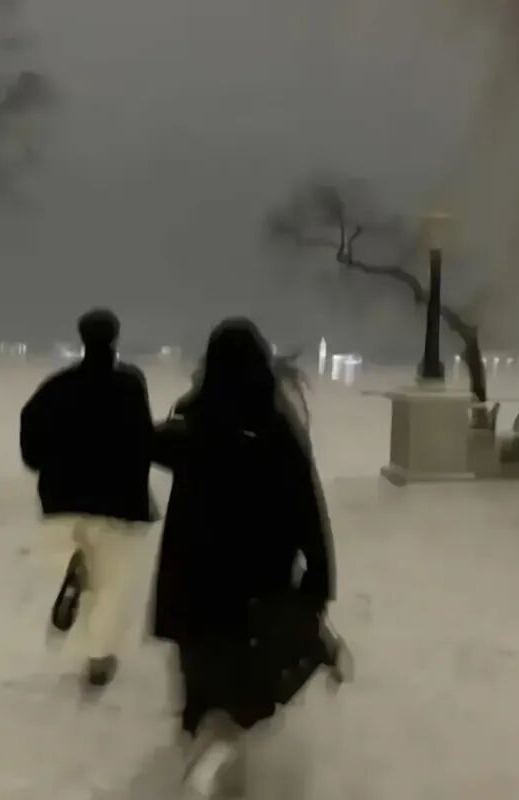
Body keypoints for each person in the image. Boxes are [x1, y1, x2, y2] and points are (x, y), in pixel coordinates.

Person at [151, 319, 337, 798]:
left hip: (191, 587)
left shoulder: (191, 424)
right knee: (248, 692)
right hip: (257, 589)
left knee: (199, 689)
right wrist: (319, 581)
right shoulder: (278, 432)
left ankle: (206, 752)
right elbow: (308, 511)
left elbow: (149, 444)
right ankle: (224, 763)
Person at [20, 308, 156, 688]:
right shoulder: (130, 385)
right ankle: (99, 659)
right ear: (115, 337)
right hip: (118, 502)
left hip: (62, 498)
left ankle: (71, 565)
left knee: (81, 558)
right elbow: (143, 440)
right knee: (113, 584)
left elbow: (30, 438)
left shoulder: (56, 386)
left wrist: (46, 465)